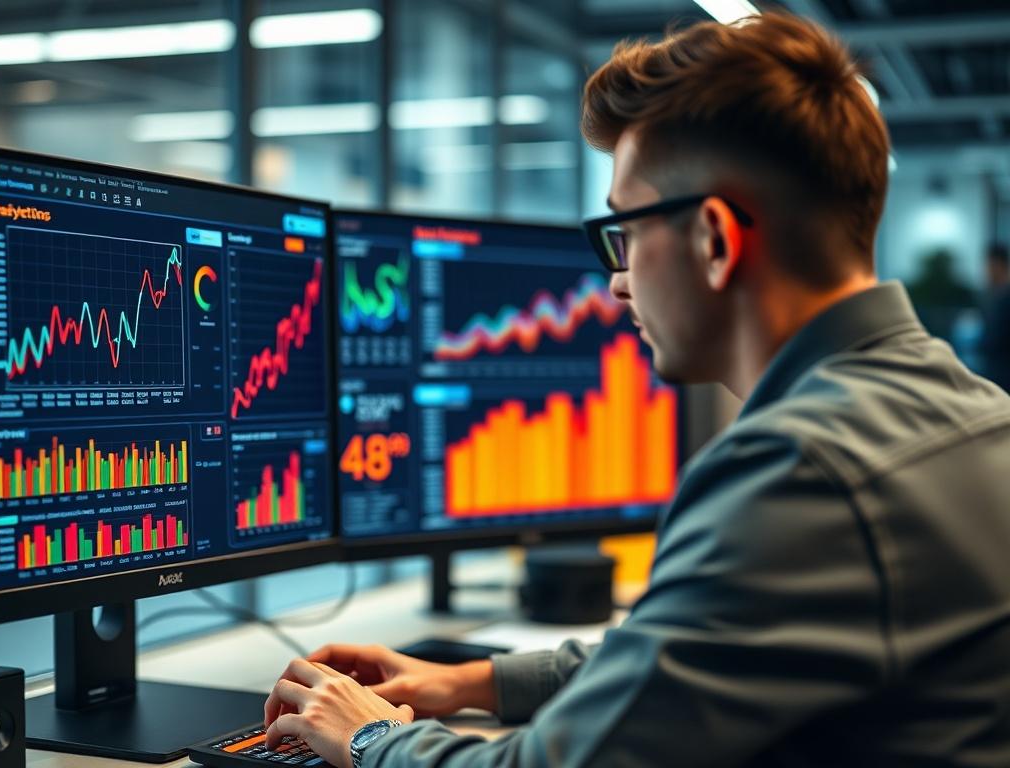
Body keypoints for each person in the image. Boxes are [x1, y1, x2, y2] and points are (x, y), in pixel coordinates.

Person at [263, 11, 1010, 767]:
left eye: (626, 232)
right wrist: (470, 680)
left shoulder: (798, 471)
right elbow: (700, 652)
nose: (616, 282)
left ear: (714, 241)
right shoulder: (976, 412)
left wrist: (371, 736)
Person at [980, 242, 1010, 391]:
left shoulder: (1005, 298)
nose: (987, 271)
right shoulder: (994, 295)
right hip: (995, 369)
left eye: (990, 265)